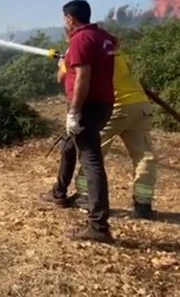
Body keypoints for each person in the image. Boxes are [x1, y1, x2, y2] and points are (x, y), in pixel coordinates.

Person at [41, 0, 116, 243]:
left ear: (70, 19)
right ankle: (59, 192)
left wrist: (74, 111)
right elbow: (87, 63)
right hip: (102, 104)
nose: (65, 23)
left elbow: (83, 76)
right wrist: (68, 53)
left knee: (91, 160)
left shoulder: (81, 39)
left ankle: (98, 226)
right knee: (69, 147)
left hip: (87, 106)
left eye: (66, 19)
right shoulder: (102, 37)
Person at [59, 50, 158, 219]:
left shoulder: (88, 54)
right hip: (140, 106)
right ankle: (143, 204)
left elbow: (65, 77)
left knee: (92, 154)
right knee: (144, 156)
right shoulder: (120, 53)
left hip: (117, 107)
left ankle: (84, 195)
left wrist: (62, 63)